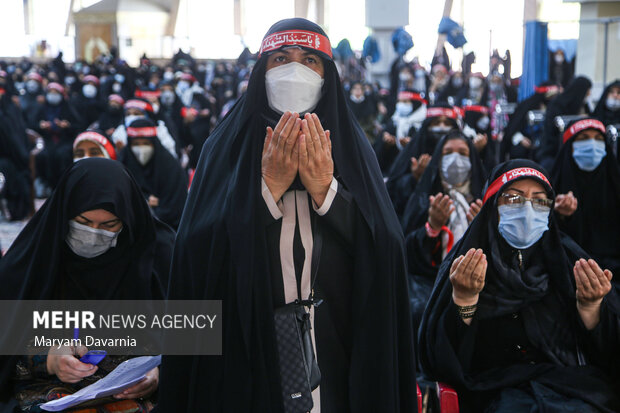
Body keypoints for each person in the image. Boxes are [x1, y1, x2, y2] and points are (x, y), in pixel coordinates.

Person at [156, 18, 417, 413]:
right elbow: (196, 253)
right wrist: (265, 193)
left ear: (327, 75)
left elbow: (386, 249)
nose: (294, 69)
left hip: (335, 345)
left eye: (309, 60)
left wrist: (327, 192)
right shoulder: (224, 146)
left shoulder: (352, 147)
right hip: (248, 346)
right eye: (281, 58)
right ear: (262, 70)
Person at [418, 159, 620, 412]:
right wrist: (465, 300)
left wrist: (591, 308)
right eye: (513, 199)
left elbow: (608, 353)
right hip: (492, 391)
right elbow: (438, 361)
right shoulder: (465, 264)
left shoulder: (569, 262)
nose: (528, 210)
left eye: (539, 200)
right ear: (493, 207)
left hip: (570, 389)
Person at [0, 158, 174, 411]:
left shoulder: (155, 259)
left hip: (128, 396)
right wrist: (48, 360)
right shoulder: (30, 264)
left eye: (108, 225)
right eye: (82, 222)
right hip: (47, 392)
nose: (93, 234)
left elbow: (189, 340)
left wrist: (158, 374)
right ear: (64, 214)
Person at [401, 131, 486, 329]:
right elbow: (408, 253)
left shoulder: (484, 197)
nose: (455, 160)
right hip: (431, 284)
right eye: (448, 153)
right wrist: (432, 228)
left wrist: (482, 229)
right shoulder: (426, 197)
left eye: (463, 154)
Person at [551, 118, 620, 281]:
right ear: (569, 146)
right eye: (583, 139)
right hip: (569, 271)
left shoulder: (615, 183)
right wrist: (560, 215)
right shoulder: (553, 188)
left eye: (598, 139)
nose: (592, 145)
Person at [386, 104, 460, 220]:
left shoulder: (462, 151)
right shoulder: (415, 151)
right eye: (436, 123)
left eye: (447, 124)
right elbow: (393, 192)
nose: (441, 127)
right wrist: (415, 178)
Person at [119, 118, 187, 230]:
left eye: (146, 143)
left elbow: (176, 207)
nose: (141, 149)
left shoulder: (170, 167)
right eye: (136, 144)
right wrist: (143, 201)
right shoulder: (124, 163)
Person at [537, 76, 592, 170]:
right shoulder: (557, 105)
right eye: (587, 91)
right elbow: (551, 132)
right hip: (553, 150)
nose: (589, 94)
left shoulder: (583, 105)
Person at [500, 82, 561, 161]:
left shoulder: (554, 109)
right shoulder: (527, 106)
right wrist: (521, 138)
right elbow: (512, 128)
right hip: (526, 146)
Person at [374, 90, 427, 175]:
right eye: (399, 101)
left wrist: (412, 146)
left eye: (405, 102)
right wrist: (386, 144)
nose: (401, 105)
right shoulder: (393, 121)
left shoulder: (424, 124)